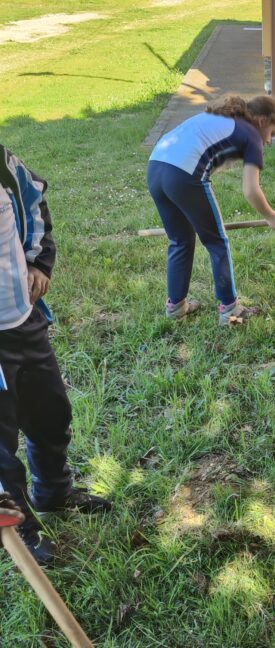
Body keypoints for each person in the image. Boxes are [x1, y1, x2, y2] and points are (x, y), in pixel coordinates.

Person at [0, 146, 111, 566]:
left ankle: (54, 494)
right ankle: (22, 529)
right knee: (0, 451)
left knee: (51, 415)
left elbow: (34, 201)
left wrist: (38, 262)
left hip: (22, 319)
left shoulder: (4, 165)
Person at [147, 95, 275, 326]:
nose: (270, 141)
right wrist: (271, 216)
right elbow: (251, 190)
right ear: (262, 120)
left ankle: (176, 307)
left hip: (155, 166)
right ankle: (231, 311)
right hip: (183, 174)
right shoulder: (251, 134)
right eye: (273, 132)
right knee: (217, 242)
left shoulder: (220, 119)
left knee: (180, 240)